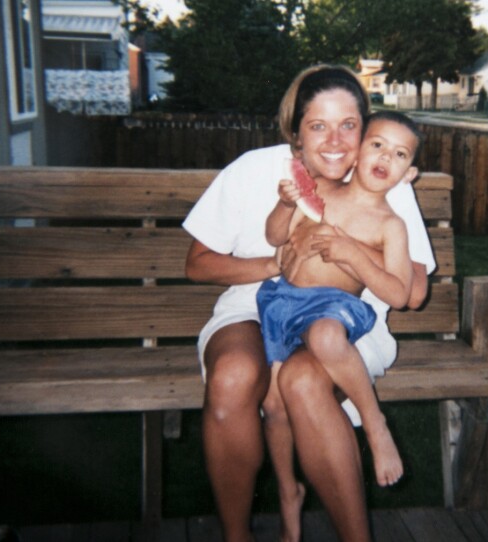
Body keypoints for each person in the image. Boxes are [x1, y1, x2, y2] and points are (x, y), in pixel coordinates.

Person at [183, 65, 436, 542]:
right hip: (259, 301)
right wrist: (273, 264)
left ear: (366, 129)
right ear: (295, 133)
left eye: (349, 125)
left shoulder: (385, 178)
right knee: (235, 374)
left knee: (300, 379)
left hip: (348, 318)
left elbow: (413, 292)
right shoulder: (257, 170)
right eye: (318, 125)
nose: (336, 141)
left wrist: (347, 248)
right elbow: (197, 262)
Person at [259, 111, 423, 489]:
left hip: (334, 306)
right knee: (272, 405)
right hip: (282, 303)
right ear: (358, 150)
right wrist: (286, 205)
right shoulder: (318, 190)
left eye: (400, 155)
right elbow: (274, 237)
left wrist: (354, 255)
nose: (385, 158)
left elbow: (399, 294)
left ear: (409, 174)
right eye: (377, 145)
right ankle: (288, 490)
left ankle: (375, 425)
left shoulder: (391, 225)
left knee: (326, 339)